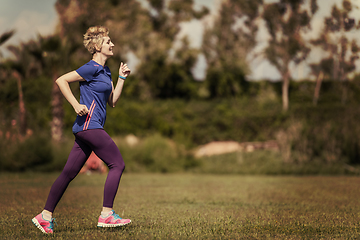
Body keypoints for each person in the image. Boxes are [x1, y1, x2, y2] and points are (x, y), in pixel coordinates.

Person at [32, 26, 131, 234]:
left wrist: (121, 78)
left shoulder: (106, 71)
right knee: (117, 164)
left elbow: (112, 101)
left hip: (86, 128)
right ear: (97, 46)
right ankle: (106, 214)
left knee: (69, 172)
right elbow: (61, 80)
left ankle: (45, 216)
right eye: (107, 42)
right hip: (89, 125)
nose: (112, 44)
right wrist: (76, 105)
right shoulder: (91, 68)